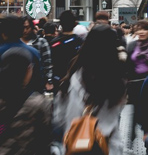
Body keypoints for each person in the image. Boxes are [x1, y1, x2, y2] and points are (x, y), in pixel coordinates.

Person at [54, 24, 127, 153]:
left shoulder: (73, 77)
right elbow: (117, 112)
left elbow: (59, 117)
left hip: (76, 145)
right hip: (107, 146)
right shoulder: (117, 80)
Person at [0, 16, 43, 93]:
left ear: (3, 33)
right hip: (28, 98)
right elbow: (38, 80)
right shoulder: (34, 52)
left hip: (1, 98)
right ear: (21, 31)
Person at [50, 10, 83, 85]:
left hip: (58, 79)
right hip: (76, 81)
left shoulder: (54, 43)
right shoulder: (80, 42)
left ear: (60, 24)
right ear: (75, 24)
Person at [23, 17, 53, 91]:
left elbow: (48, 63)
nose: (25, 30)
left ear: (32, 27)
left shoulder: (41, 42)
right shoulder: (15, 43)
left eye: (27, 27)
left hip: (37, 83)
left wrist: (49, 81)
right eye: (22, 28)